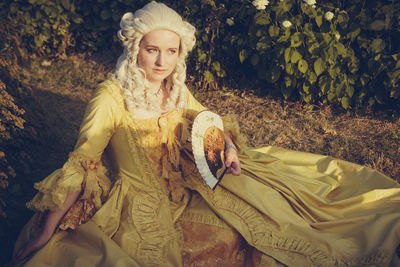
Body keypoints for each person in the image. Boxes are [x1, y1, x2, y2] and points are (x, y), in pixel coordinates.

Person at [11, 2, 400, 266]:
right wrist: (46, 231)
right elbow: (83, 162)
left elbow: (206, 118)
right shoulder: (110, 96)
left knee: (264, 221)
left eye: (172, 51)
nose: (162, 62)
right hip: (135, 201)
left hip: (186, 183)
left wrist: (228, 147)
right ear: (135, 49)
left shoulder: (174, 87)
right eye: (152, 50)